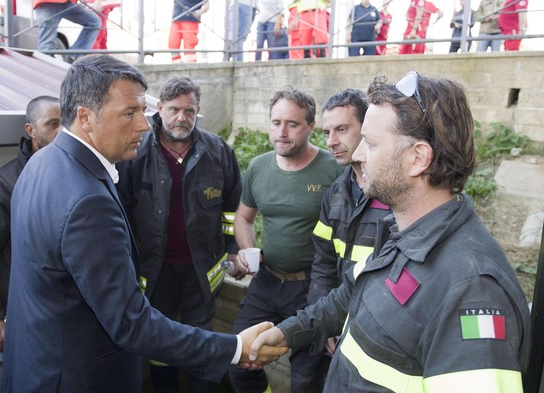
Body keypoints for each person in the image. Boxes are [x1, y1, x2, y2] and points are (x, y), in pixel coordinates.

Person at [0, 54, 286, 393]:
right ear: (86, 118)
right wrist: (235, 348)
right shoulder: (89, 202)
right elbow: (131, 323)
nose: (144, 125)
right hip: (77, 377)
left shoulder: (41, 163)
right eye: (129, 113)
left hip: (36, 366)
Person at [248, 72, 531, 392]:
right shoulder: (403, 234)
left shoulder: (473, 288)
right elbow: (345, 298)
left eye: (370, 143)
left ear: (417, 158)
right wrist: (287, 333)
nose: (357, 154)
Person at [116, 75, 243, 393]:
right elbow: (121, 209)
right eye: (174, 109)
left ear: (197, 111)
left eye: (189, 111)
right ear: (159, 108)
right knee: (161, 337)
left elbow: (231, 207)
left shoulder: (218, 151)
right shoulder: (136, 151)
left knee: (203, 333)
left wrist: (231, 247)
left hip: (203, 269)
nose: (181, 118)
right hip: (153, 269)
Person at [227, 87, 341, 393]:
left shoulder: (333, 169)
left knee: (306, 380)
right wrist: (247, 248)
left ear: (311, 127)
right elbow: (244, 217)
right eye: (276, 122)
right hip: (267, 283)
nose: (282, 132)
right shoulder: (259, 167)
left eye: (292, 124)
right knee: (240, 359)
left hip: (312, 289)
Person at [0, 96, 61, 361]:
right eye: (52, 124)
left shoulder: (79, 177)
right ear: (31, 130)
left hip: (68, 326)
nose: (61, 131)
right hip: (21, 328)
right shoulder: (3, 188)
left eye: (65, 123)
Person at [307, 89, 390, 370]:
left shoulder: (395, 193)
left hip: (381, 335)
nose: (331, 142)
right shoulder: (335, 194)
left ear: (367, 129)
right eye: (327, 131)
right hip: (338, 324)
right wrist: (326, 324)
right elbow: (323, 265)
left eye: (342, 129)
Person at [33, 0, 101, 62]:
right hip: (48, 3)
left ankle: (73, 56)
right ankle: (46, 64)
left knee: (94, 23)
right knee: (46, 47)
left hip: (67, 3)